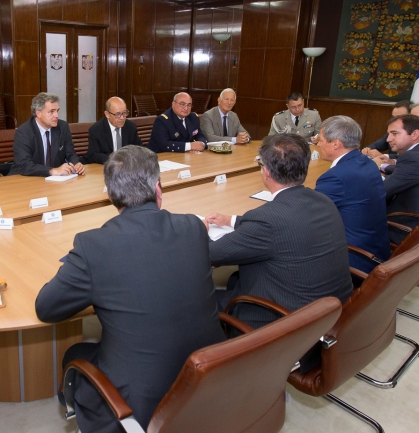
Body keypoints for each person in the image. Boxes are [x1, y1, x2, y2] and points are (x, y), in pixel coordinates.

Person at [36, 146, 225, 433]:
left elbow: (46, 308)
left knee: (74, 354)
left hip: (143, 406)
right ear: (158, 188)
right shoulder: (194, 227)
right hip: (212, 377)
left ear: (109, 194)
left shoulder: (92, 245)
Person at [205, 133, 352, 370]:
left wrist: (199, 231)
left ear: (266, 172)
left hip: (287, 329)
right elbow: (282, 226)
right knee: (234, 279)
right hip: (328, 318)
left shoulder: (268, 220)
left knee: (200, 297)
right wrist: (232, 220)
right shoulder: (322, 201)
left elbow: (210, 254)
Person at [314, 116, 390, 274]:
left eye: (321, 140)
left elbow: (308, 216)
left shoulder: (336, 177)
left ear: (336, 144)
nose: (318, 144)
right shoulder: (367, 163)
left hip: (354, 258)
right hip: (376, 249)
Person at [12, 92, 86, 176]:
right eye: (51, 111)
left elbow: (70, 153)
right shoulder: (24, 132)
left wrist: (76, 164)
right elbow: (24, 165)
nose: (56, 115)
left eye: (57, 111)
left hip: (55, 180)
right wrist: (52, 171)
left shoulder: (63, 127)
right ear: (38, 113)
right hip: (26, 178)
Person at [84, 96, 142, 164]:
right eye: (117, 114)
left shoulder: (130, 127)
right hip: (107, 166)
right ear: (107, 114)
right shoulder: (96, 130)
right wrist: (114, 160)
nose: (122, 118)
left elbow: (139, 149)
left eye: (124, 113)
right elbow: (93, 154)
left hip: (127, 166)